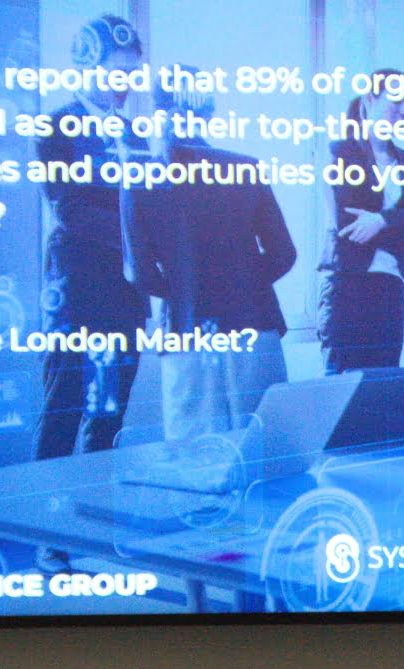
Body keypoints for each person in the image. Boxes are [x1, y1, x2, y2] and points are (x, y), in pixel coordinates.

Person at [32, 14, 151, 571]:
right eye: (115, 69)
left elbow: (149, 206)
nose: (123, 81)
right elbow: (69, 209)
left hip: (126, 293)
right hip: (76, 287)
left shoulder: (137, 134)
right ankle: (48, 534)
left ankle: (95, 521)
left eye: (131, 71)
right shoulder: (56, 125)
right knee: (64, 406)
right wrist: (134, 240)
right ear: (88, 65)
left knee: (111, 411)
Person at [122, 70, 296, 438]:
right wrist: (242, 284)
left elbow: (139, 274)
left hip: (186, 331)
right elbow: (284, 254)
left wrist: (186, 289)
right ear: (209, 113)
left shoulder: (138, 180)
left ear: (157, 113)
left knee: (194, 456)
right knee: (263, 449)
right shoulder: (246, 168)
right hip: (254, 324)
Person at [317, 71, 404, 374]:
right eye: (397, 102)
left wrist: (380, 220)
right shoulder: (340, 152)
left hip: (390, 287)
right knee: (343, 384)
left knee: (384, 383)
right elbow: (347, 224)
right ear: (370, 100)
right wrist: (402, 230)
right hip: (347, 286)